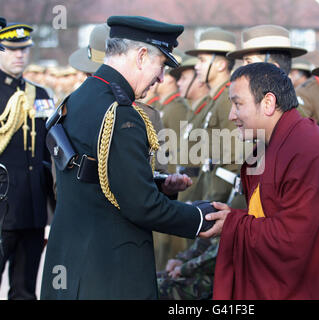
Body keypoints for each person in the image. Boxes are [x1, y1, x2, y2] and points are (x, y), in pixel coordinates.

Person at [40, 15, 218, 300]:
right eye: (161, 65)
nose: (161, 78)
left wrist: (158, 185)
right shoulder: (121, 114)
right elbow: (142, 206)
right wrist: (200, 218)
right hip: (108, 274)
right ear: (141, 55)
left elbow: (97, 179)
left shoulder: (78, 99)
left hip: (71, 266)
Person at [201, 62, 319, 299]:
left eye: (238, 104)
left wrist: (232, 224)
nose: (231, 115)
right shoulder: (266, 147)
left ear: (268, 103)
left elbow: (292, 240)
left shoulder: (310, 152)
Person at [0, 22, 55, 300]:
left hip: (32, 209)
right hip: (2, 209)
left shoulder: (41, 95)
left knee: (24, 291)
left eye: (24, 50)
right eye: (11, 50)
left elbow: (48, 154)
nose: (19, 55)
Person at [226, 24, 319, 128]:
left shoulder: (295, 124)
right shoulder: (255, 113)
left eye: (249, 63)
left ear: (273, 70)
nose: (242, 71)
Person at [185, 28, 245, 206]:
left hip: (220, 198)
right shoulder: (214, 100)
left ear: (220, 65)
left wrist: (214, 202)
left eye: (202, 60)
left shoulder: (227, 100)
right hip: (206, 189)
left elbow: (232, 159)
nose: (197, 66)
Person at [170, 55, 211, 203]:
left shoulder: (207, 110)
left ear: (199, 81)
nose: (179, 83)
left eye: (184, 78)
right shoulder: (191, 112)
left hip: (197, 193)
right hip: (185, 190)